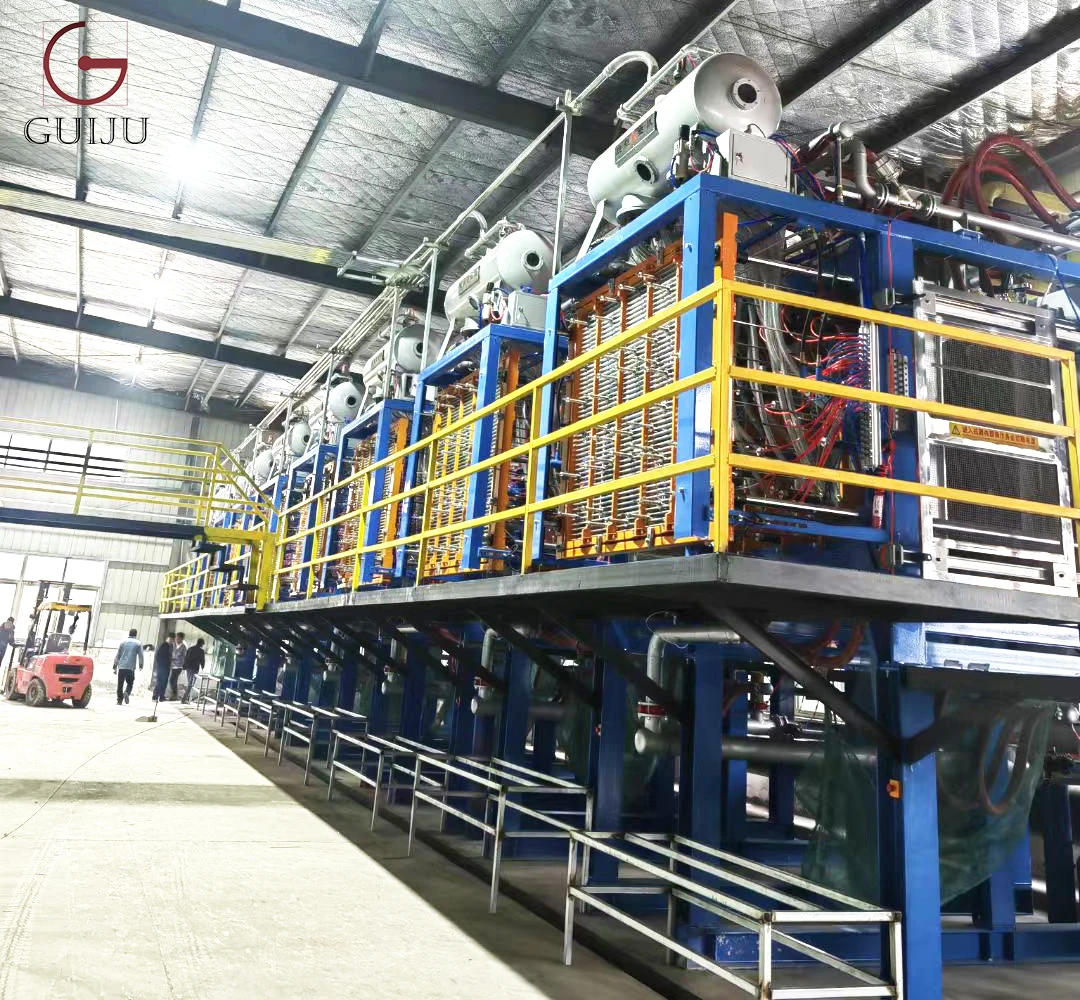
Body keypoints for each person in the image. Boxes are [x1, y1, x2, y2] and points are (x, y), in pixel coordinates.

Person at [112, 628, 144, 705]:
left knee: (120, 684)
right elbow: (141, 656)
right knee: (130, 682)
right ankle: (127, 692)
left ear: (129, 634)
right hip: (130, 667)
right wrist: (141, 665)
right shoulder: (138, 643)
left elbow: (118, 655)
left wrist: (115, 665)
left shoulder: (123, 642)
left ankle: (119, 700)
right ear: (136, 634)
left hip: (121, 666)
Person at [180, 638, 205, 704]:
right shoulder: (201, 651)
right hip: (194, 669)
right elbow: (202, 660)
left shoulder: (190, 649)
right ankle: (184, 699)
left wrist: (184, 667)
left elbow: (186, 658)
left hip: (188, 668)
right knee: (191, 684)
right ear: (201, 644)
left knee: (190, 683)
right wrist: (202, 667)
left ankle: (187, 698)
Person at [152, 633, 174, 702]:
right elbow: (157, 656)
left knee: (164, 682)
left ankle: (161, 696)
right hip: (162, 666)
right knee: (160, 681)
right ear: (169, 638)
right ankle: (155, 696)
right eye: (171, 640)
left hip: (166, 667)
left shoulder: (170, 646)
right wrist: (159, 665)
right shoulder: (164, 645)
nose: (172, 641)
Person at [168, 632, 187, 700]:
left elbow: (184, 657)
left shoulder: (183, 647)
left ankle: (174, 695)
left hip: (179, 666)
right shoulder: (173, 644)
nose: (177, 639)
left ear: (182, 639)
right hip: (172, 665)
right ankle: (174, 695)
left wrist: (175, 659)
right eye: (176, 637)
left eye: (178, 638)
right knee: (173, 680)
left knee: (172, 680)